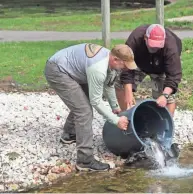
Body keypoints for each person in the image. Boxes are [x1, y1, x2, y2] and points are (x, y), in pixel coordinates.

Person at [44, 43, 137, 171]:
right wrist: (116, 121)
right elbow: (96, 101)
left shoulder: (111, 62)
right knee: (84, 111)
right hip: (57, 70)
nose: (126, 69)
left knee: (81, 102)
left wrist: (115, 107)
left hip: (73, 68)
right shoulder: (98, 69)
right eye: (125, 65)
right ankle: (85, 160)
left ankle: (69, 134)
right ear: (115, 59)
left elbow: (109, 85)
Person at [115, 24, 182, 117]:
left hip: (161, 67)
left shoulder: (171, 46)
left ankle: (165, 126)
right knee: (121, 85)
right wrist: (128, 92)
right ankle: (127, 117)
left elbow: (174, 75)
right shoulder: (135, 38)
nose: (154, 49)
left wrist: (165, 95)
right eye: (152, 46)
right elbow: (126, 64)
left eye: (158, 47)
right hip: (138, 63)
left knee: (167, 99)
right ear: (145, 38)